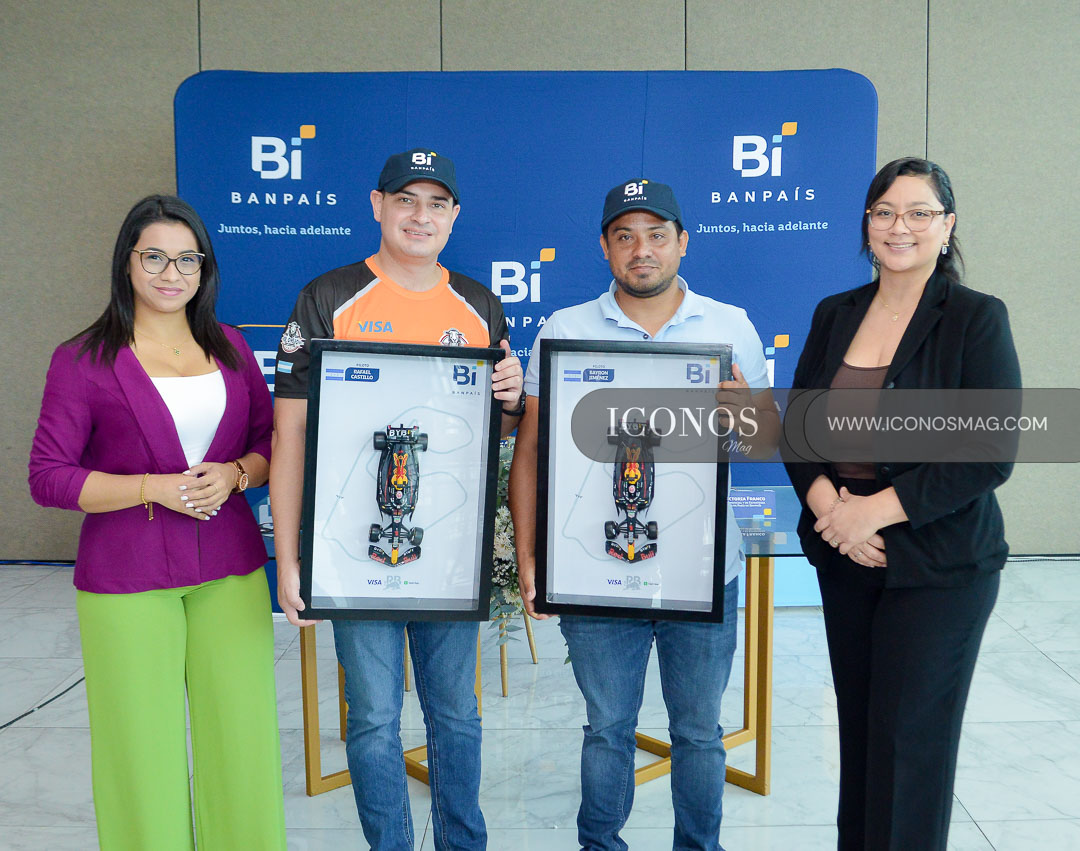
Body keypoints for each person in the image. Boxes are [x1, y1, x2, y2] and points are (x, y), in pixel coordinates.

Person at [509, 179, 778, 851]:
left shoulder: (730, 325)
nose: (642, 250)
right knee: (607, 729)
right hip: (593, 575)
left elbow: (764, 441)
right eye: (625, 236)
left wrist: (745, 413)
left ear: (682, 241)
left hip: (704, 570)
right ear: (604, 247)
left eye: (657, 235)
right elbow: (533, 449)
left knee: (698, 731)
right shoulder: (565, 329)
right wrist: (530, 554)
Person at [271, 148, 524, 850]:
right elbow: (288, 435)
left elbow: (497, 432)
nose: (420, 216)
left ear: (455, 215)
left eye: (436, 203)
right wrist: (289, 559)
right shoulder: (329, 297)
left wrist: (512, 400)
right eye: (405, 199)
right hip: (353, 551)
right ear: (377, 205)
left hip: (449, 550)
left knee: (457, 716)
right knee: (374, 719)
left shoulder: (478, 304)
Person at [28, 195, 286, 850]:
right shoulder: (82, 359)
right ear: (127, 262)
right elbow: (49, 476)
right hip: (127, 576)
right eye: (155, 258)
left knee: (243, 742)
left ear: (204, 268)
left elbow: (268, 442)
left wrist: (236, 474)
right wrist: (152, 488)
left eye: (187, 259)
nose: (172, 273)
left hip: (229, 568)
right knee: (141, 752)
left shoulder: (230, 345)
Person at [783, 157, 1021, 850]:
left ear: (947, 227)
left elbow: (990, 448)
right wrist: (835, 515)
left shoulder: (975, 318)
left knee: (909, 747)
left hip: (940, 563)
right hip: (846, 555)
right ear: (867, 224)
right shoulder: (836, 313)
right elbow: (800, 429)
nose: (900, 226)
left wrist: (874, 511)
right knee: (861, 737)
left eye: (920, 212)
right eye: (885, 211)